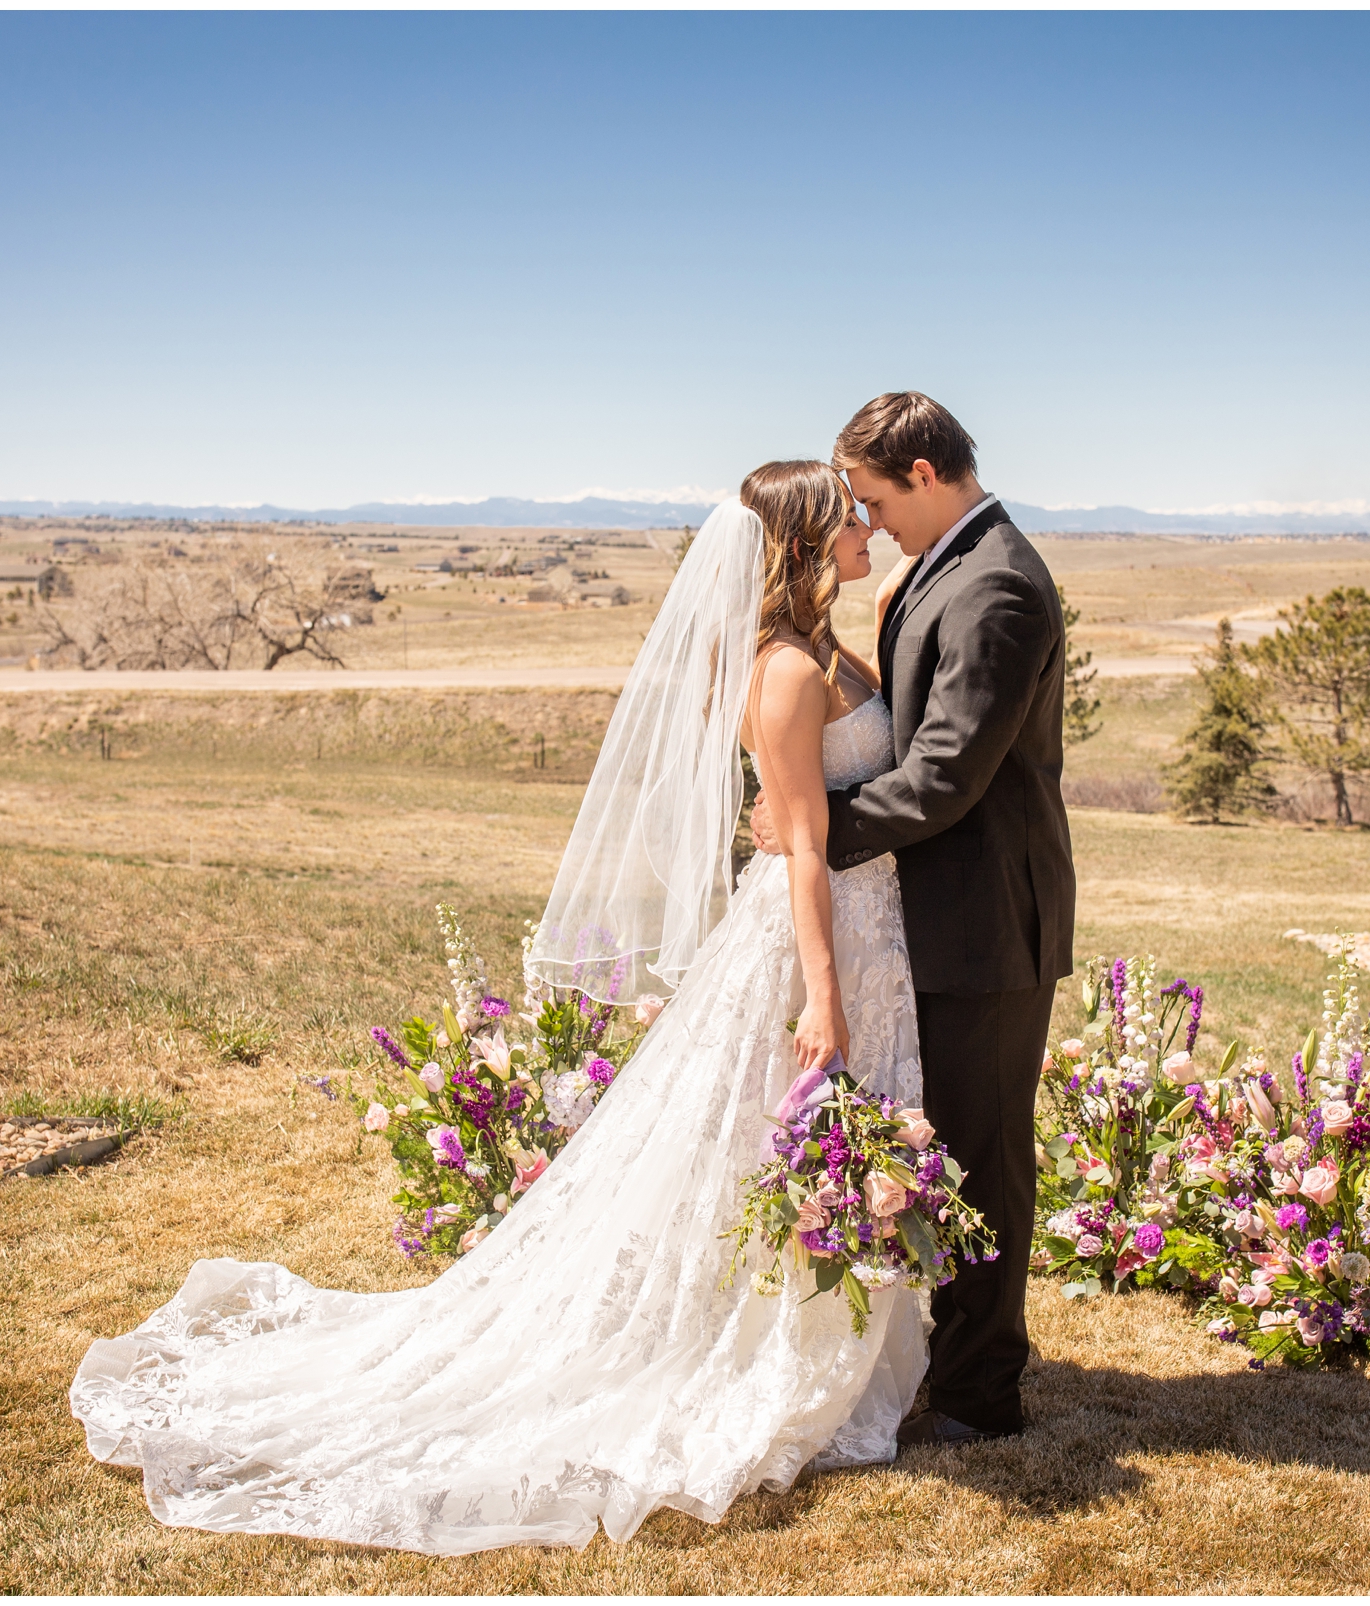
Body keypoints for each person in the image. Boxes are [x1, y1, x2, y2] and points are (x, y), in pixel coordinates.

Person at [72, 460, 939, 1554]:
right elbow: (806, 840)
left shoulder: (820, 650)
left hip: (863, 930)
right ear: (807, 544)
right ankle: (752, 1339)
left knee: (762, 1143)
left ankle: (807, 1321)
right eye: (850, 518)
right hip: (816, 940)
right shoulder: (786, 672)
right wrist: (822, 993)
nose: (870, 529)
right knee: (779, 1127)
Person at [751, 391, 1075, 1446]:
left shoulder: (1000, 588)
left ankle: (982, 1395)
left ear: (927, 477)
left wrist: (811, 829)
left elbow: (944, 777)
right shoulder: (935, 568)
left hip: (984, 922)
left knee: (985, 1150)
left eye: (881, 500)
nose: (872, 521)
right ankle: (924, 1353)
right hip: (915, 917)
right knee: (938, 1141)